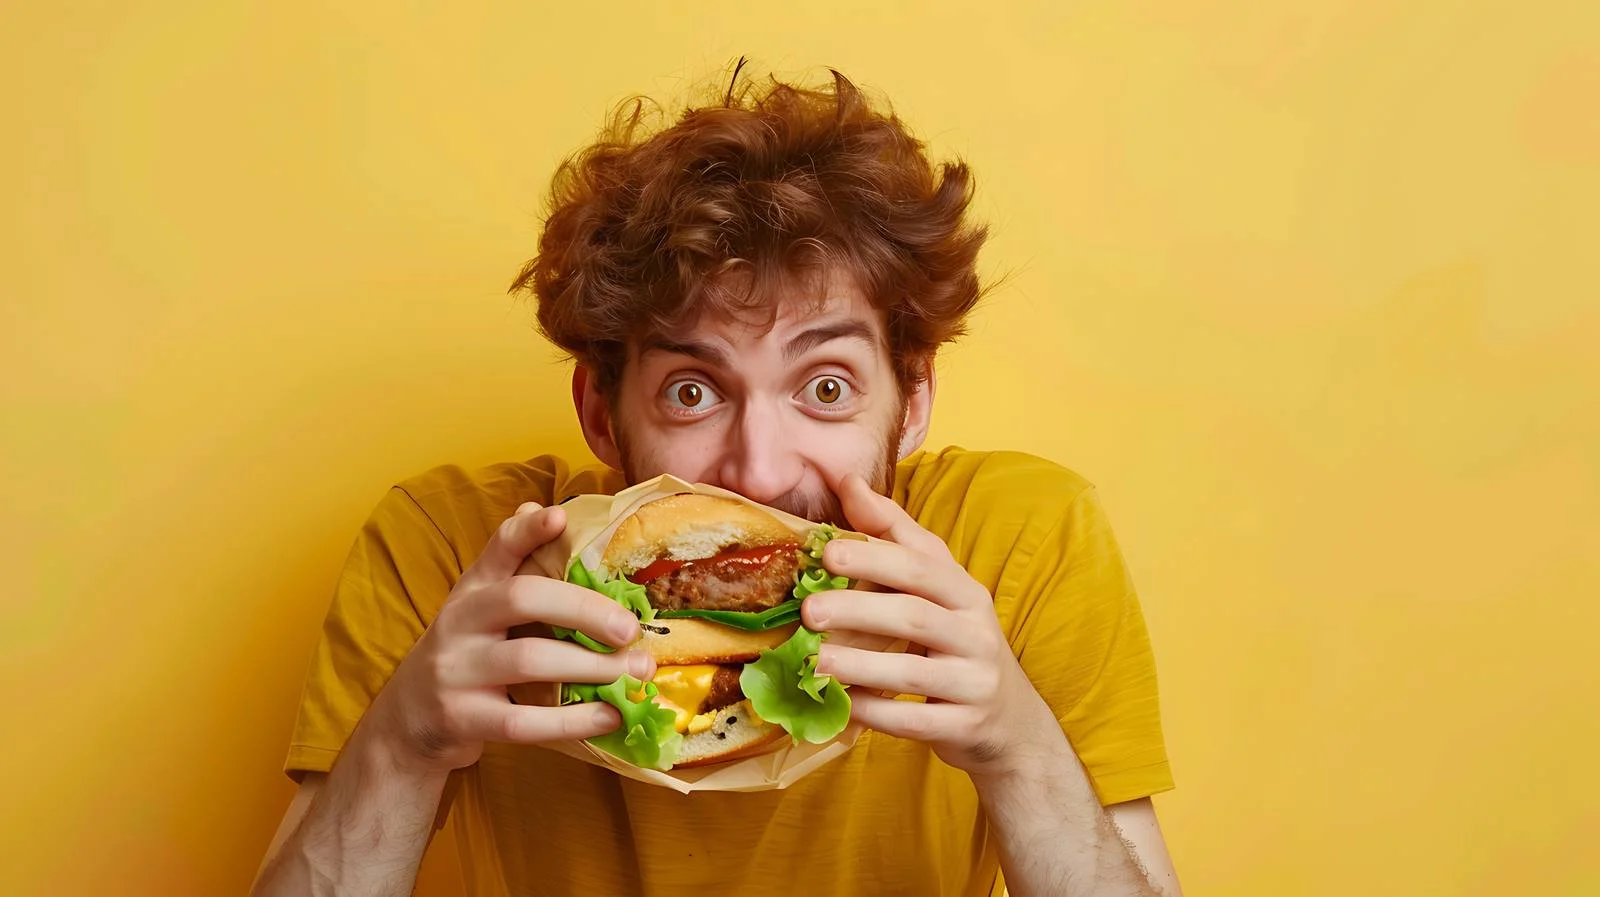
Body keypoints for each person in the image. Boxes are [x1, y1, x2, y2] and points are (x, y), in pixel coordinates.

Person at [252, 65, 1182, 897]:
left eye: (825, 387)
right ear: (603, 412)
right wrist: (406, 741)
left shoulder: (1014, 542)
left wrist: (1017, 746)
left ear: (913, 400)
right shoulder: (459, 548)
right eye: (693, 391)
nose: (760, 471)